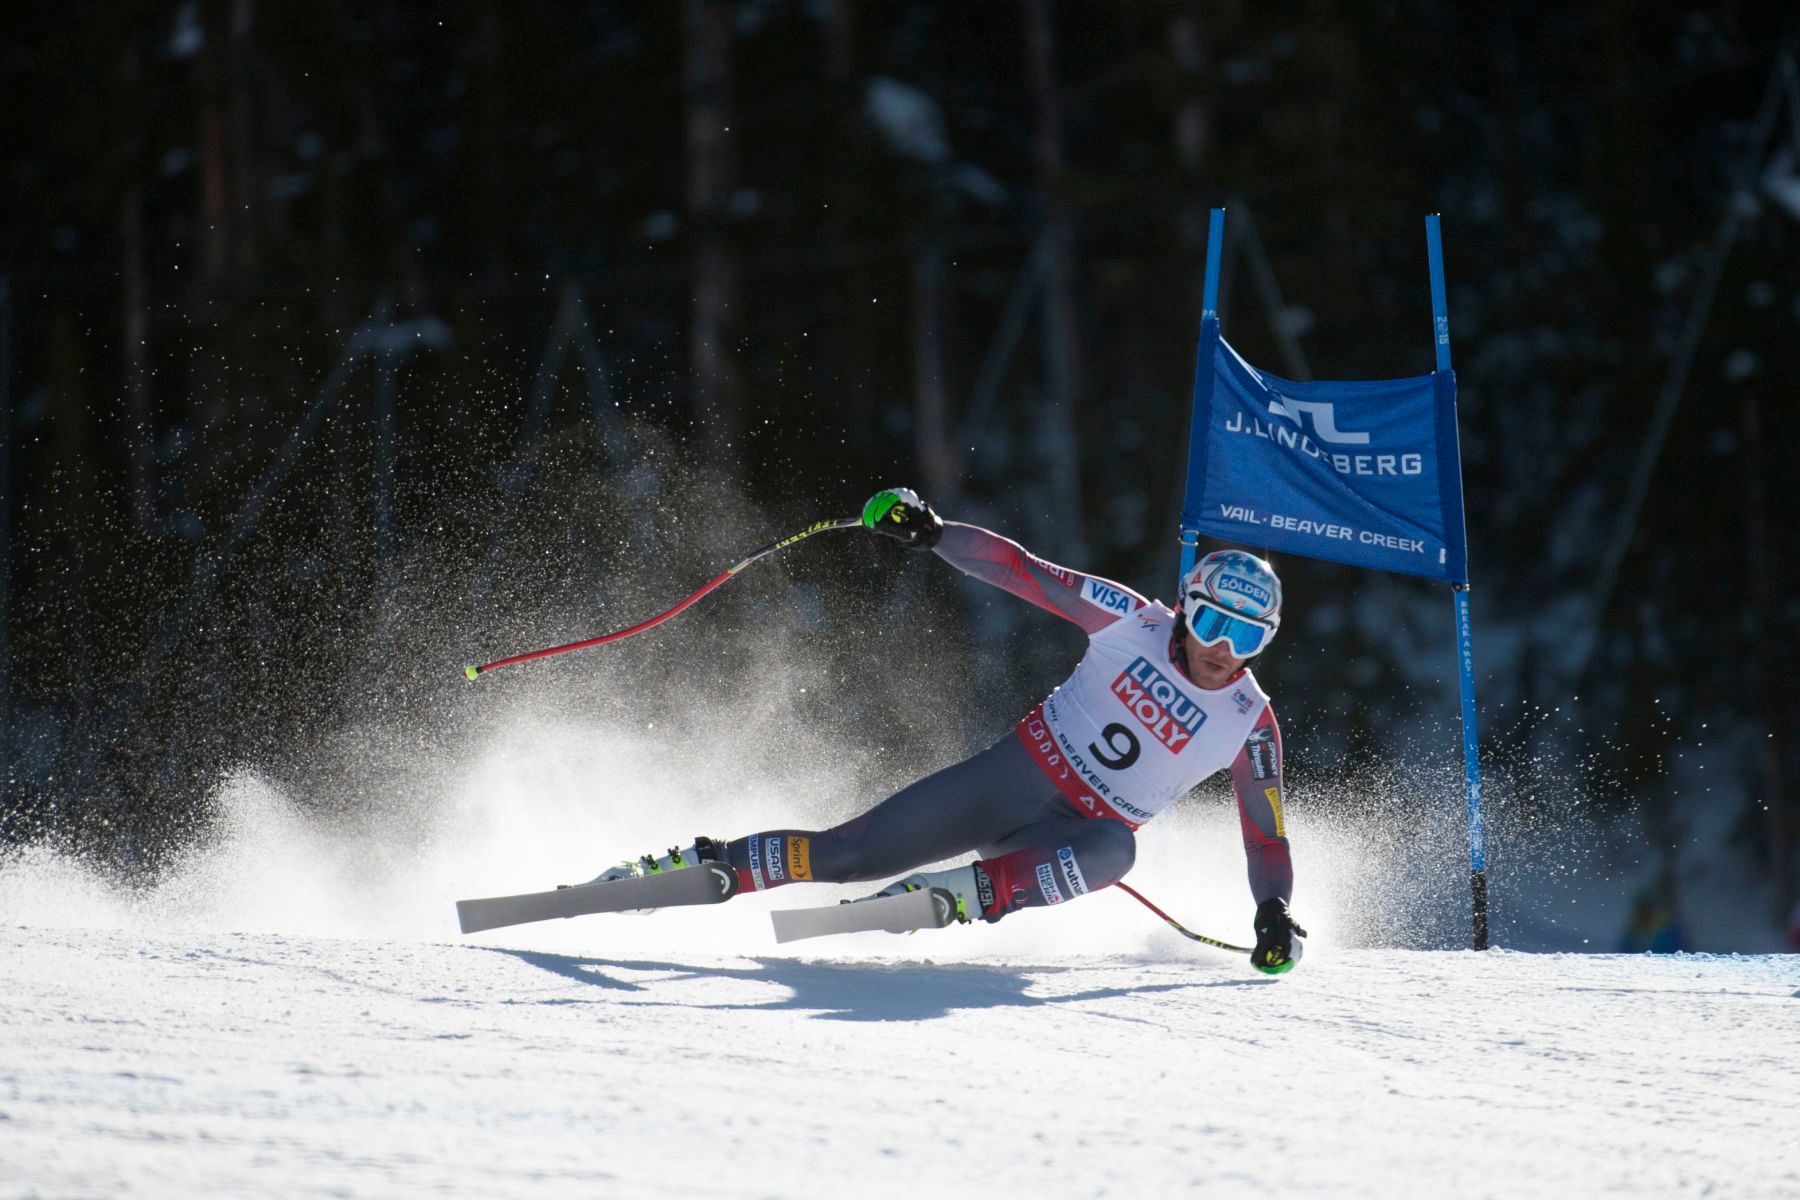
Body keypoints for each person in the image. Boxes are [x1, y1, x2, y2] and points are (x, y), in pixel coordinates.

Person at [586, 487, 1306, 973]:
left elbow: (1265, 836)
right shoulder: (1131, 619)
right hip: (1010, 783)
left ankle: (958, 894)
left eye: (1244, 638)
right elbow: (1025, 572)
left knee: (1117, 849)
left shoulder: (1253, 725)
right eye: (1212, 623)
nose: (1220, 650)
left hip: (1064, 842)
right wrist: (934, 534)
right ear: (1185, 608)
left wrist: (1273, 910)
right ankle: (694, 868)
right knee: (849, 852)